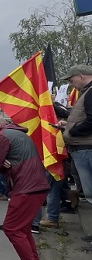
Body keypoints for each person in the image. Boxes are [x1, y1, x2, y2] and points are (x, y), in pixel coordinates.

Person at [0, 112, 50, 260]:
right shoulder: (17, 133)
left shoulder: (3, 137)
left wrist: (0, 159)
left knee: (12, 228)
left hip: (26, 188)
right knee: (23, 229)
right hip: (35, 185)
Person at [57, 65, 92, 216]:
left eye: (72, 80)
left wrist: (72, 130)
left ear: (81, 76)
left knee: (90, 191)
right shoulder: (86, 93)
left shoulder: (89, 93)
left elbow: (91, 121)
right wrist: (69, 125)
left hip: (85, 148)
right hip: (82, 147)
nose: (72, 84)